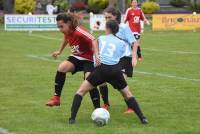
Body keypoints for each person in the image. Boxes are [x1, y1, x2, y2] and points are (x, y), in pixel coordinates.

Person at [68, 20, 148, 125]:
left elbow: (94, 42)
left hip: (101, 69)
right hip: (115, 70)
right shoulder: (121, 43)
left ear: (108, 28)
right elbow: (120, 57)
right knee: (127, 94)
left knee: (80, 92)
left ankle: (72, 119)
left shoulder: (101, 38)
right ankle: (142, 118)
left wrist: (96, 55)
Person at [46, 13, 100, 109]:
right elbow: (66, 39)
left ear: (69, 23)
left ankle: (97, 109)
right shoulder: (67, 32)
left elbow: (94, 40)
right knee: (62, 67)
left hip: (89, 59)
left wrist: (97, 56)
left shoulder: (79, 31)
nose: (60, 30)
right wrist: (59, 51)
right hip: (76, 57)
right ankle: (56, 98)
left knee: (89, 79)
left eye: (62, 26)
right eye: (58, 27)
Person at [98, 7, 138, 114]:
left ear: (116, 16)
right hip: (113, 59)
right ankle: (106, 104)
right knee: (101, 81)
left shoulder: (124, 27)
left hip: (125, 58)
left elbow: (134, 43)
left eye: (109, 17)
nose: (107, 19)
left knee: (122, 84)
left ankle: (131, 107)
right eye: (105, 17)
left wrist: (134, 57)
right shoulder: (108, 28)